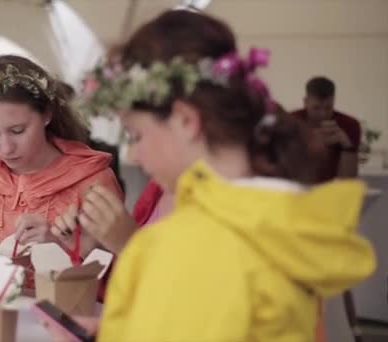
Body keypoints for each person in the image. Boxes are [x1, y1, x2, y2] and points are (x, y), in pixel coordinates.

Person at [49, 10, 375, 341]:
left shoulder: (202, 240)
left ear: (185, 121)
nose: (135, 154)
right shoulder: (272, 216)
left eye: (136, 135)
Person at [0, 55, 123, 274]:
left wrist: (58, 244)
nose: (5, 148)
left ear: (47, 115)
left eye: (18, 131)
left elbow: (121, 272)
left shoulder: (93, 181)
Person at [292, 76, 361, 182]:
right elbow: (286, 176)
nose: (323, 114)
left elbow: (347, 180)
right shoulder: (291, 122)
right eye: (316, 108)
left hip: (334, 191)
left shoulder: (349, 125)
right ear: (305, 102)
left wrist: (346, 145)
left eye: (328, 108)